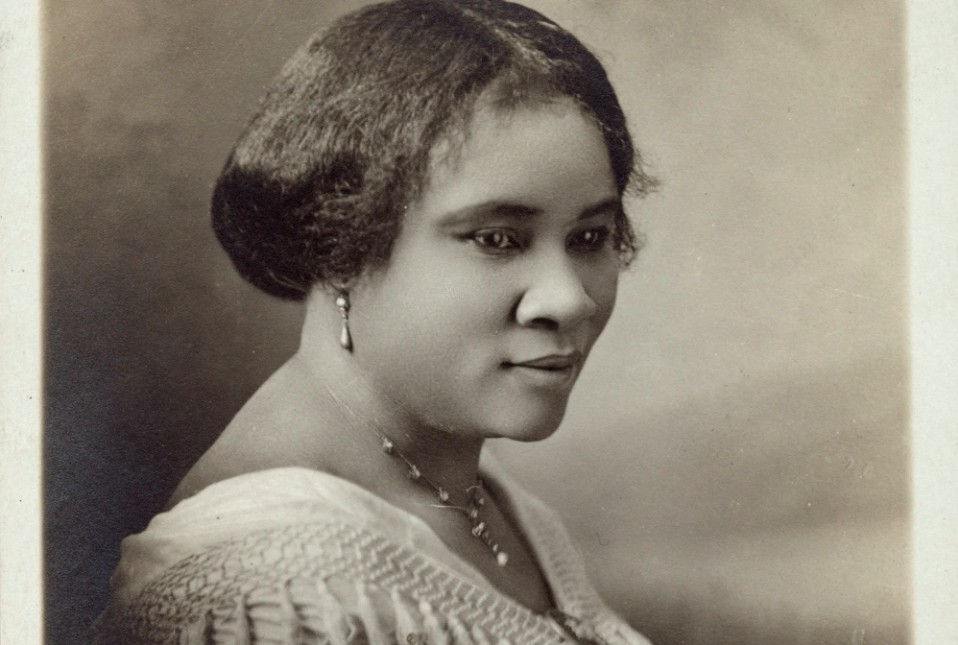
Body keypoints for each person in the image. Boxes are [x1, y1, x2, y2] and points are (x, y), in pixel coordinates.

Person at [94, 0, 656, 642]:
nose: (570, 300)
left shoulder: (469, 484)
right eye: (498, 239)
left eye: (590, 236)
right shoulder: (279, 594)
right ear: (338, 244)